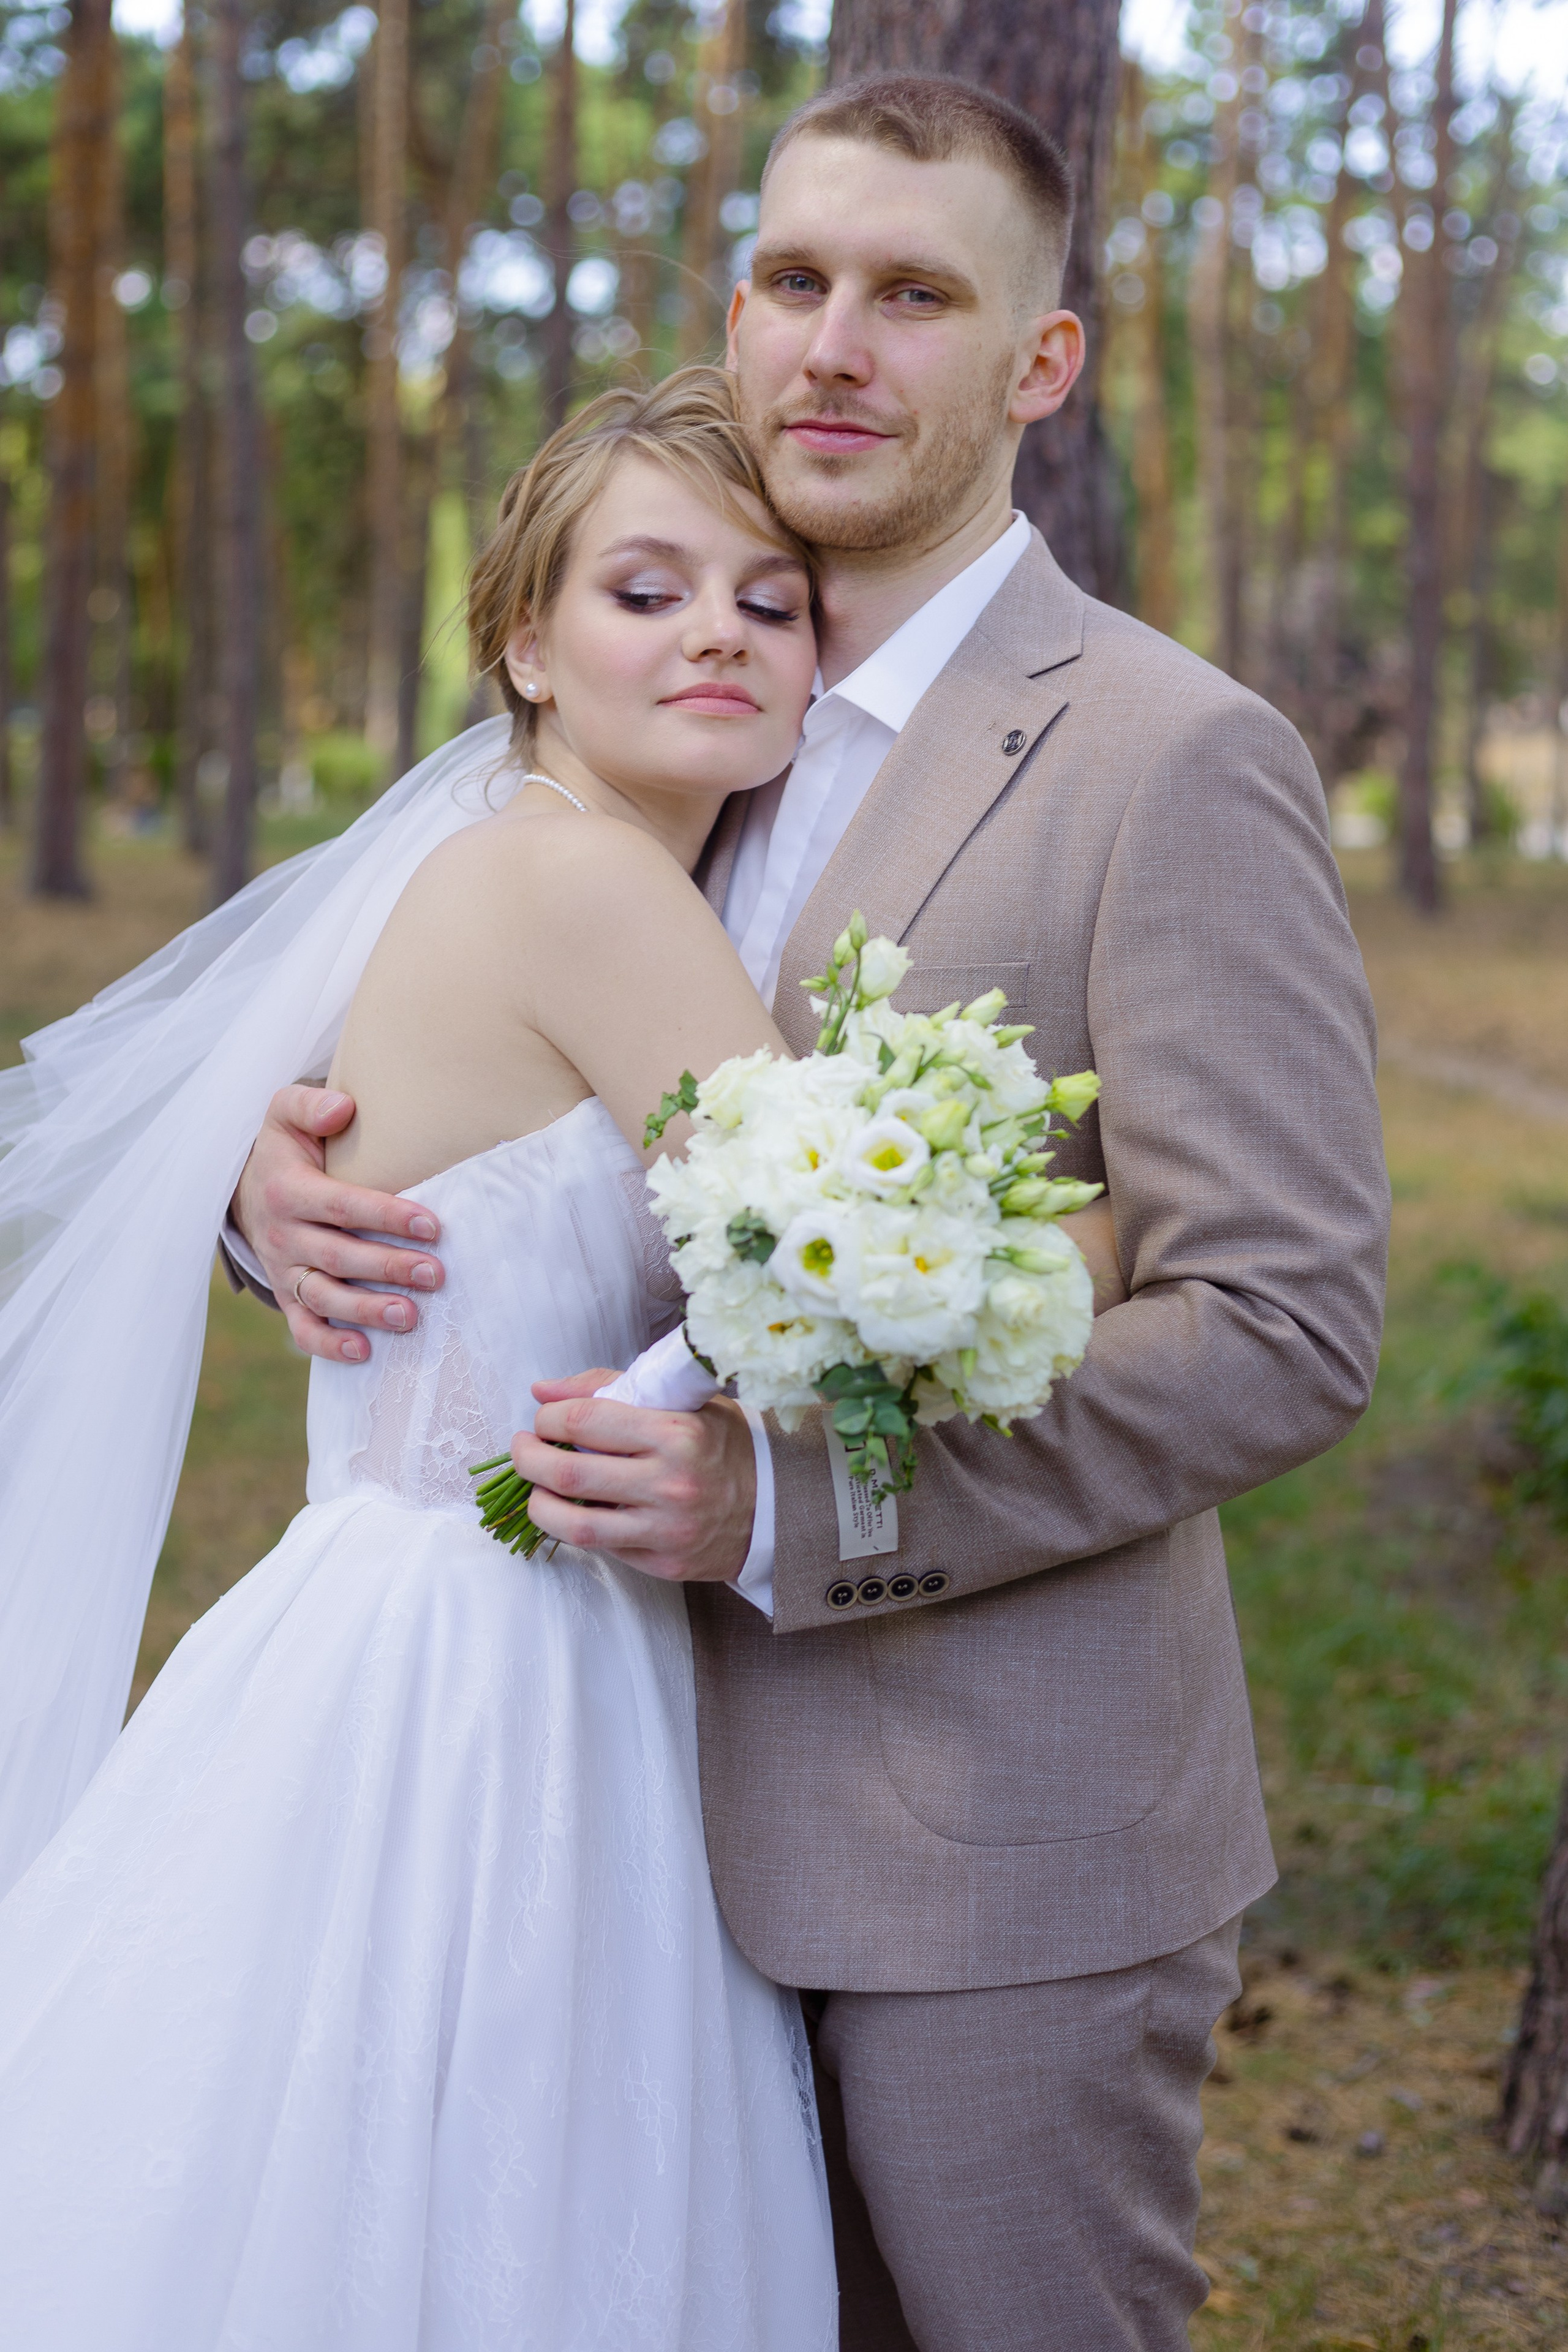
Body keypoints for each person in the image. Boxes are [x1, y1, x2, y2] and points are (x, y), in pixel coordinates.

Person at [228, 75, 1390, 2352]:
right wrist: (293, 1196)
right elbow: (494, 1108)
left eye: (918, 295)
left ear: (1038, 366)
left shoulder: (1173, 755)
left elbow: (1279, 1323)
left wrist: (788, 1502)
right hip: (601, 1834)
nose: (837, 347)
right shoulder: (656, 710)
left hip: (991, 1851)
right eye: (794, 279)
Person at [0, 372, 861, 2351]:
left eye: (772, 598)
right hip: (505, 1663)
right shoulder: (582, 878)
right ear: (523, 644)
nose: (721, 628)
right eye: (648, 591)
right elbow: (835, 1274)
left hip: (381, 1606)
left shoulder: (488, 849)